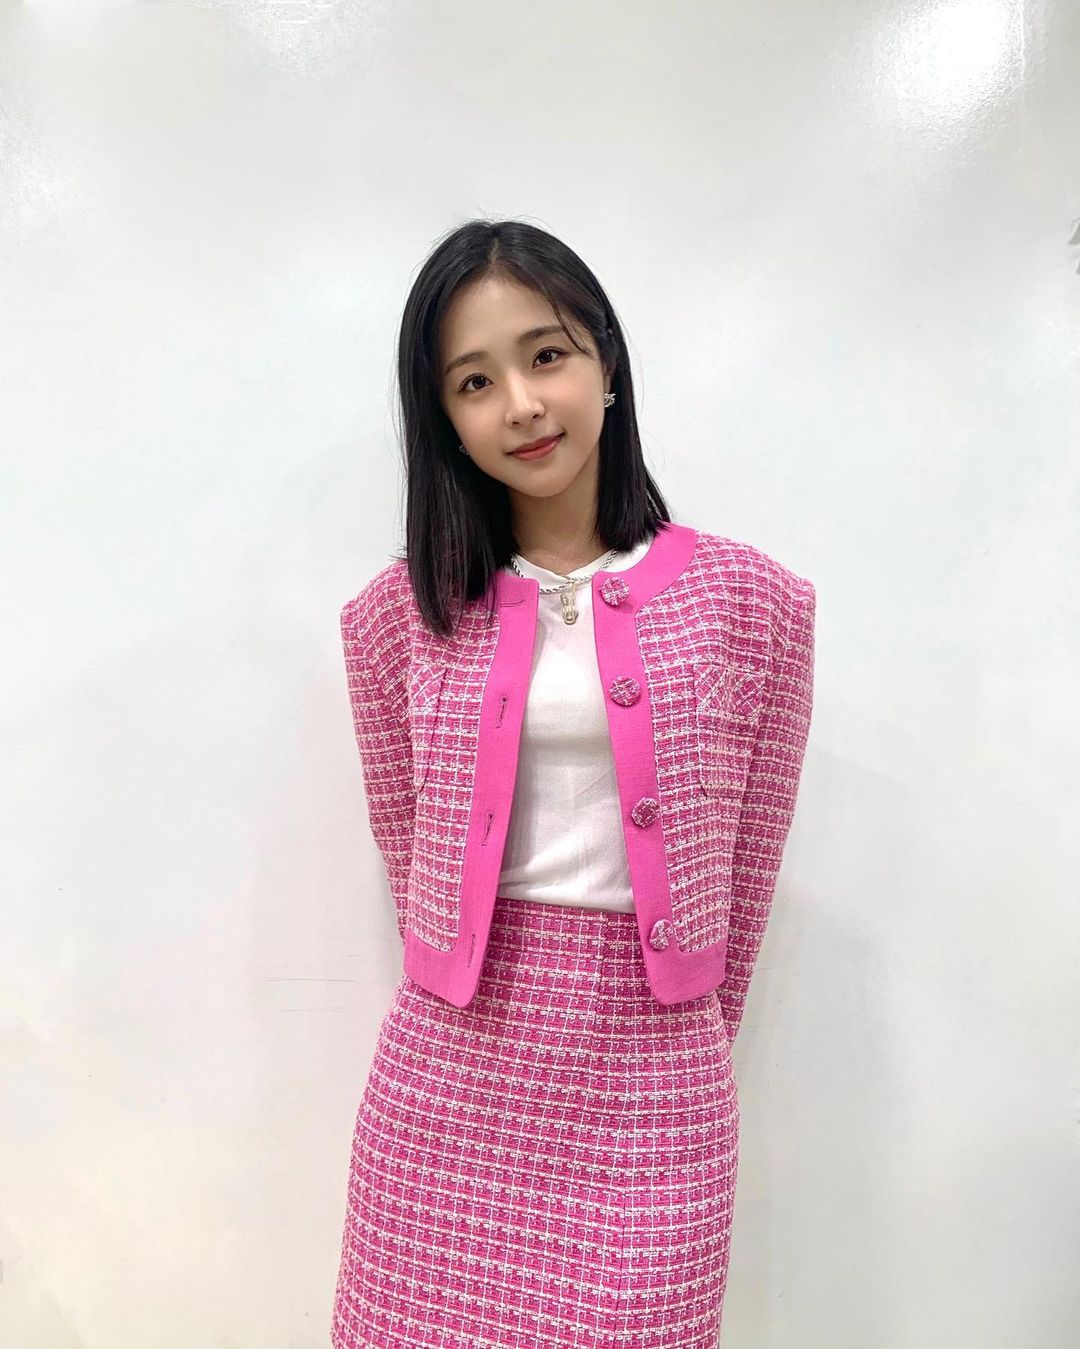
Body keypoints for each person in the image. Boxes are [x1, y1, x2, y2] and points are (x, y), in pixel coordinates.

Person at [330, 218, 816, 1348]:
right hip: (450, 1075)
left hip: (655, 1083)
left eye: (546, 355)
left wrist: (692, 1031)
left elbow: (750, 859)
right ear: (444, 418)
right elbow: (408, 847)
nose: (521, 404)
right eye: (474, 381)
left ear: (606, 361)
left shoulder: (756, 605)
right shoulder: (396, 618)